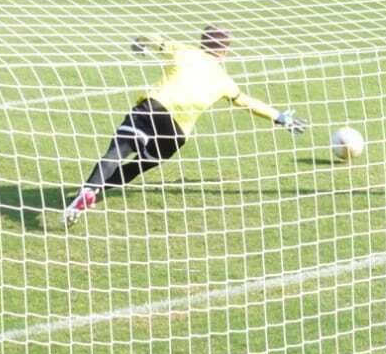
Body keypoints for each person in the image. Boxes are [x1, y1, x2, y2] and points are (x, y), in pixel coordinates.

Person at [62, 27, 305, 227]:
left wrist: (139, 42)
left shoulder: (184, 52)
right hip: (177, 134)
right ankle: (98, 191)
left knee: (117, 151)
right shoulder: (223, 80)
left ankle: (89, 189)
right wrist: (279, 117)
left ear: (202, 42)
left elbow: (154, 36)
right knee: (137, 166)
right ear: (224, 52)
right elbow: (245, 101)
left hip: (154, 109)